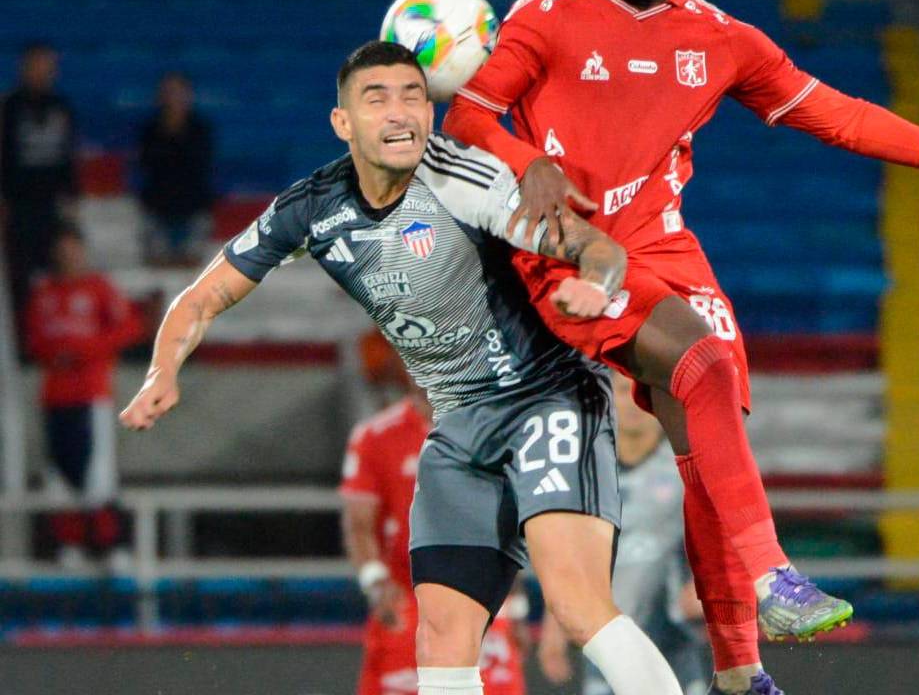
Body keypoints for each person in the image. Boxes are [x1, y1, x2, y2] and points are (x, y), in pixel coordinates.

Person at [443, 0, 919, 695]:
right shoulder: (549, 14)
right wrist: (525, 159)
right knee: (705, 364)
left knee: (705, 441)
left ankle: (737, 674)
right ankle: (773, 579)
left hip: (669, 249)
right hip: (567, 251)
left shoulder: (721, 39)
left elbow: (835, 113)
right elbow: (467, 113)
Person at [121, 41, 688, 695]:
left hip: (548, 397)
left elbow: (597, 247)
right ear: (343, 123)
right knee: (442, 629)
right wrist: (161, 372)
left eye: (413, 95)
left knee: (576, 601)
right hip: (459, 422)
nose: (400, 112)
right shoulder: (312, 208)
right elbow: (201, 297)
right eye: (377, 98)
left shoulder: (463, 179)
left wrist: (595, 283)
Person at [341, 373, 527, 695]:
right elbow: (358, 524)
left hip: (482, 595)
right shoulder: (375, 435)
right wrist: (375, 581)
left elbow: (510, 519)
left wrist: (518, 601)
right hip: (406, 599)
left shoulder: (495, 429)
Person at [538, 374, 709, 695]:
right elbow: (567, 554)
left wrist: (709, 583)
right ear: (607, 397)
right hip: (605, 638)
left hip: (673, 637)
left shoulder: (686, 466)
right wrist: (553, 630)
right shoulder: (585, 468)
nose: (632, 402)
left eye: (641, 392)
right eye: (621, 390)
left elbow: (723, 535)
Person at [24, 222, 143, 569]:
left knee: (98, 476)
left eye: (72, 248)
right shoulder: (43, 293)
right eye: (61, 250)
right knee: (60, 476)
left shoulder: (99, 289)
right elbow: (33, 340)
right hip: (53, 398)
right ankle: (71, 545)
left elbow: (130, 328)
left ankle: (113, 546)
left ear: (82, 250)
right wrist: (55, 352)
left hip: (91, 395)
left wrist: (84, 351)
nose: (67, 256)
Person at [0, 42, 78, 320]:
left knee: (55, 271)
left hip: (51, 204)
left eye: (45, 65)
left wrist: (71, 198)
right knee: (19, 275)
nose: (39, 71)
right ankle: (25, 340)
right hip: (18, 204)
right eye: (34, 64)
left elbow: (68, 156)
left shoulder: (61, 106)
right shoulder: (10, 107)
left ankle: (57, 332)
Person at [137, 71, 214, 266]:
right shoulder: (149, 131)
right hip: (157, 205)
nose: (173, 98)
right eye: (168, 92)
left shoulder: (200, 130)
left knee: (192, 262)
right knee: (156, 262)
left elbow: (201, 167)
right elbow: (147, 166)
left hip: (193, 205)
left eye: (178, 92)